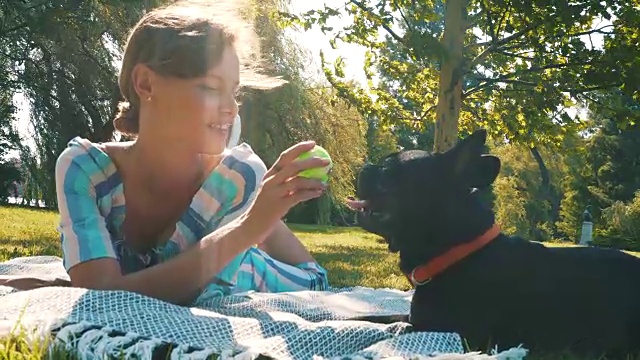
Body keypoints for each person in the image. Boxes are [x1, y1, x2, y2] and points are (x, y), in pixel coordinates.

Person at [53, 0, 330, 306]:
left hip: (301, 281)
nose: (231, 108)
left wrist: (249, 228)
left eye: (234, 92)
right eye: (212, 88)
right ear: (145, 83)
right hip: (237, 235)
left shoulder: (237, 178)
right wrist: (247, 228)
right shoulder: (84, 170)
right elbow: (101, 297)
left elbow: (184, 296)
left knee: (237, 268)